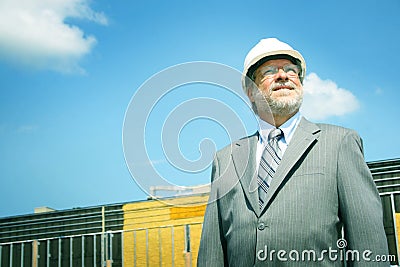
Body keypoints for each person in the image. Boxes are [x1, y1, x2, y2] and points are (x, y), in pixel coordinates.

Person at [197, 38, 389, 266]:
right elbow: (212, 252)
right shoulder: (225, 159)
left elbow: (368, 241)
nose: (283, 76)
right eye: (269, 71)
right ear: (251, 91)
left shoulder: (340, 143)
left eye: (291, 71)